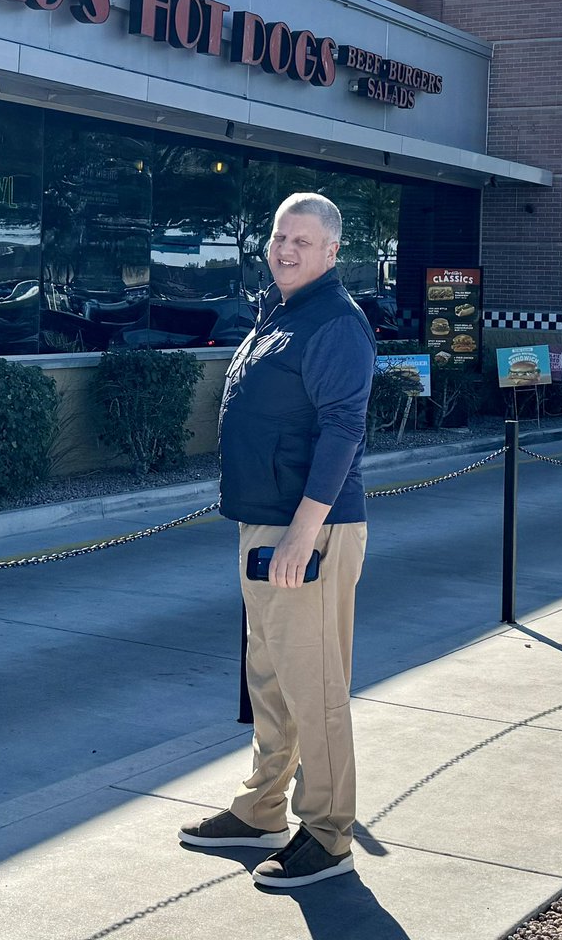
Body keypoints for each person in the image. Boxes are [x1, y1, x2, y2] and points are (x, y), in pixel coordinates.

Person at [178, 192, 376, 889]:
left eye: (302, 240)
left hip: (308, 531)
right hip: (263, 525)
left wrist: (302, 535)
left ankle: (328, 833)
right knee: (269, 676)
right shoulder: (281, 314)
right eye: (279, 236)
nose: (285, 249)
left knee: (314, 684)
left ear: (331, 252)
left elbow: (343, 431)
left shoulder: (335, 323)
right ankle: (263, 810)